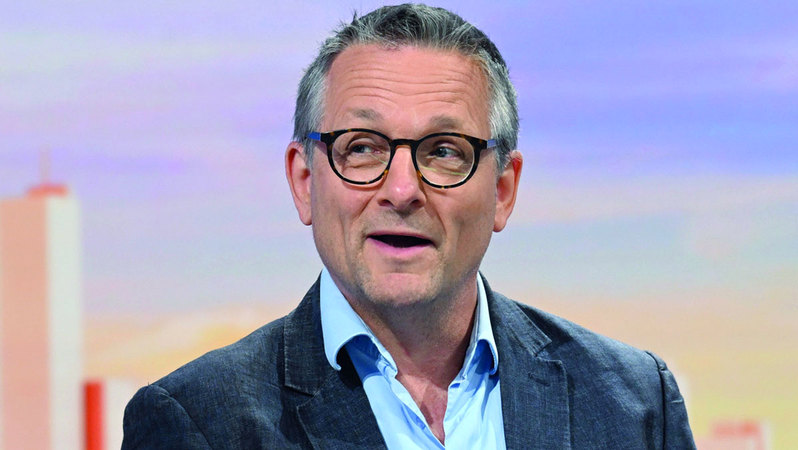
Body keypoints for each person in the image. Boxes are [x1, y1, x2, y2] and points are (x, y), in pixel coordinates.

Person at [122, 4, 695, 449]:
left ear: (503, 190)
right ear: (304, 181)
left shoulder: (634, 403)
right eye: (362, 148)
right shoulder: (197, 422)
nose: (401, 191)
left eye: (444, 151)